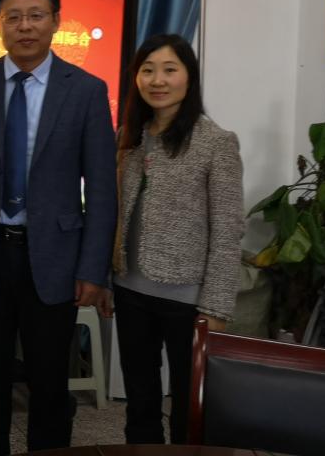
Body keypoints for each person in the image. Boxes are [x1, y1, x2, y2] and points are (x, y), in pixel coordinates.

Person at [0, 0, 117, 455]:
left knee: (49, 379)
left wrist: (92, 269)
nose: (25, 26)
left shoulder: (86, 90)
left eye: (36, 16)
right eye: (12, 17)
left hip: (54, 256)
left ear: (56, 21)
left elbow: (102, 190)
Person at [108, 33, 243, 445]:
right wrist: (108, 278)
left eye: (169, 69)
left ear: (189, 77)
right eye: (147, 70)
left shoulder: (216, 142)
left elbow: (228, 229)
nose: (157, 80)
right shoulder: (129, 137)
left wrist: (216, 306)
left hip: (188, 297)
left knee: (190, 403)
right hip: (130, 288)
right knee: (140, 399)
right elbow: (117, 215)